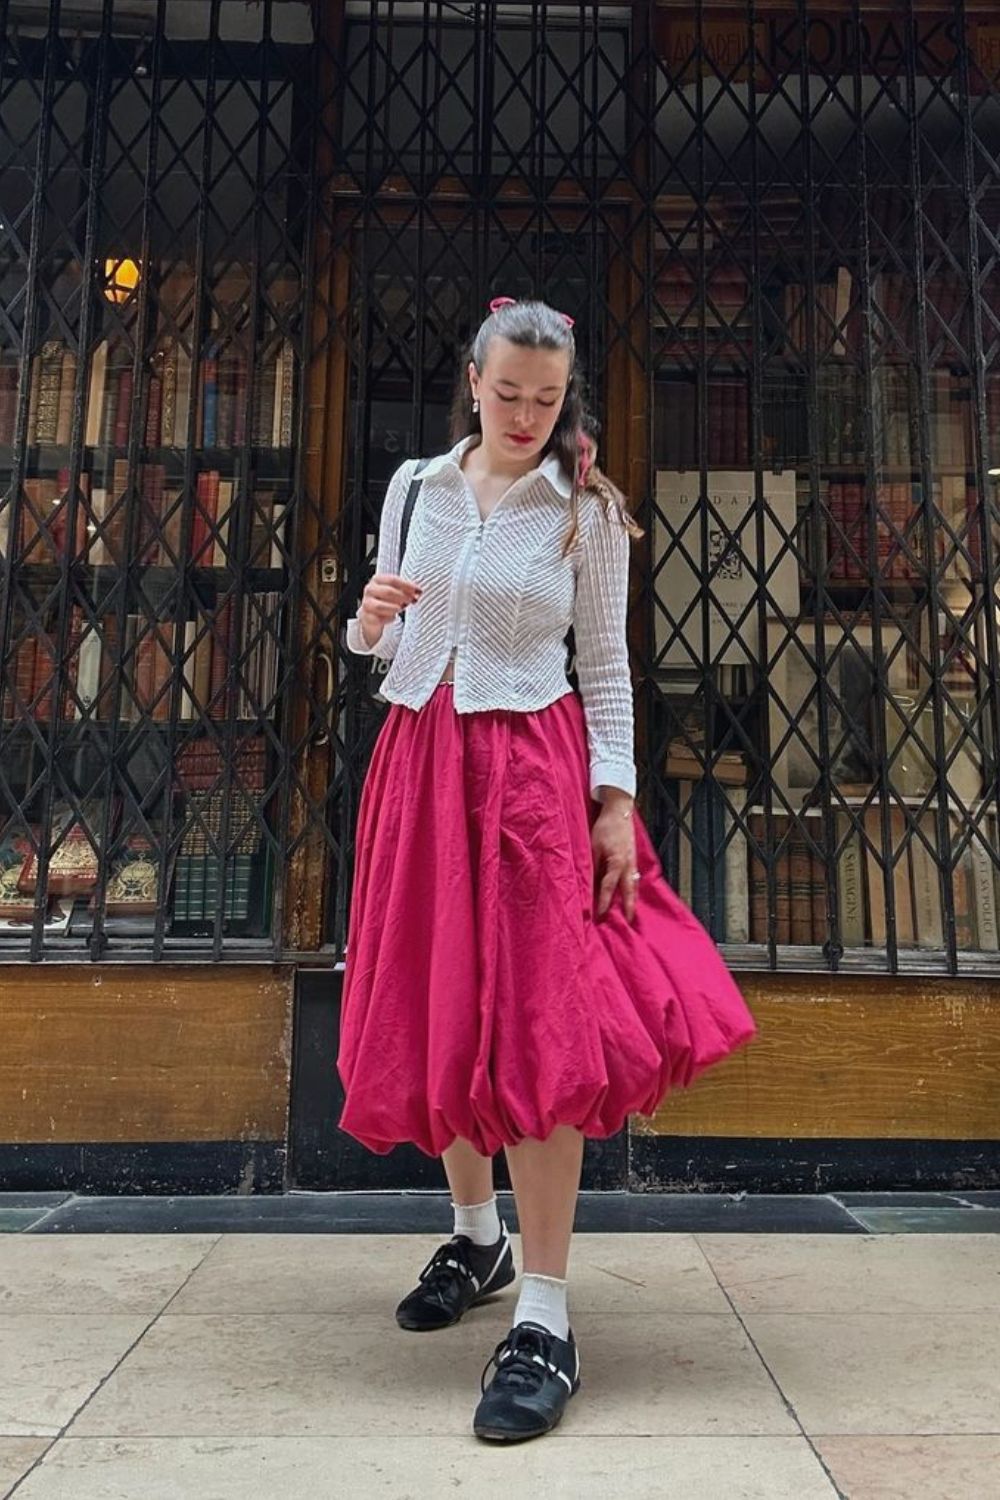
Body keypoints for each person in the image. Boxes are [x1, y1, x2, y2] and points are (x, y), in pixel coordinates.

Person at [340, 296, 756, 1444]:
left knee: (536, 1031)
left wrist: (615, 803)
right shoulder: (415, 488)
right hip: (418, 764)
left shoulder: (584, 512)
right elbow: (385, 633)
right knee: (441, 1007)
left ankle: (547, 1317)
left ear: (564, 395)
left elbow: (611, 675)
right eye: (506, 391)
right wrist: (364, 624)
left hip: (530, 777)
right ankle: (477, 1242)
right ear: (471, 380)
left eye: (545, 396)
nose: (525, 413)